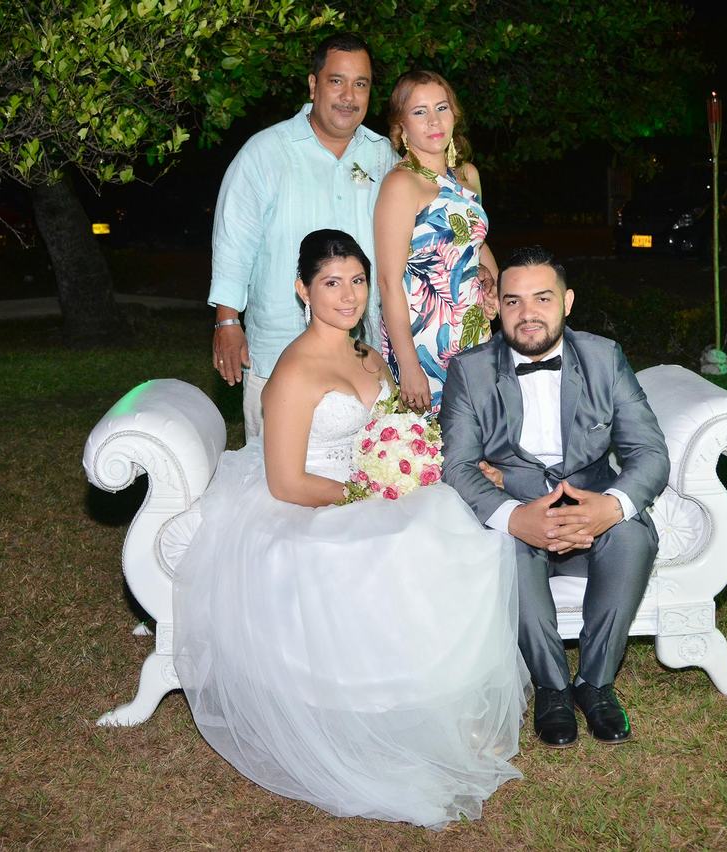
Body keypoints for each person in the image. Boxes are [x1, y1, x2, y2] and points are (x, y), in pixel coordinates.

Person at [174, 230, 529, 829]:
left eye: (358, 281)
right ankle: (389, 715)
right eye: (331, 283)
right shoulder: (295, 370)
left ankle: (450, 704)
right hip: (311, 502)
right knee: (394, 545)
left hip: (379, 485)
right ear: (302, 289)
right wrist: (373, 494)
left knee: (469, 530)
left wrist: (436, 464)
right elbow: (286, 481)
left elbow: (400, 432)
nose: (347, 296)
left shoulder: (369, 355)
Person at [439, 246, 670, 748]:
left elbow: (649, 453)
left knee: (632, 535)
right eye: (513, 301)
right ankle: (551, 689)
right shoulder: (471, 371)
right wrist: (513, 516)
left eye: (542, 298)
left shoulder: (603, 358)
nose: (528, 314)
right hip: (520, 506)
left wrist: (609, 507)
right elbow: (457, 465)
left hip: (591, 502)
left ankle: (596, 682)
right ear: (495, 307)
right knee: (504, 548)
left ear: (567, 302)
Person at [209, 33, 397, 440]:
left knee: (366, 480)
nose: (349, 96)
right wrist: (227, 319)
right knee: (274, 480)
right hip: (278, 348)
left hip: (361, 356)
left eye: (360, 84)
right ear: (313, 85)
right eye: (336, 81)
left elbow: (422, 224)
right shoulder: (265, 152)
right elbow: (233, 241)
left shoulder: (384, 157)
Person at [374, 70, 498, 414]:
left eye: (441, 108)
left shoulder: (468, 176)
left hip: (474, 334)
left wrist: (494, 284)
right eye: (419, 112)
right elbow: (388, 281)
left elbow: (475, 241)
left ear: (454, 114)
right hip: (424, 342)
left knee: (477, 447)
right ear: (401, 126)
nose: (433, 121)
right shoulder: (401, 184)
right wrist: (409, 364)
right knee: (429, 457)